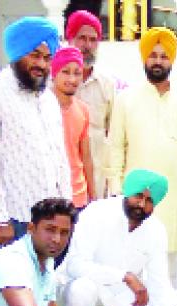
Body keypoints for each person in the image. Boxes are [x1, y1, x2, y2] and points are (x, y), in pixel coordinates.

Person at [107, 27, 177, 295]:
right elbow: (116, 148)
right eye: (153, 55)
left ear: (172, 60)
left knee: (175, 254)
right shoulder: (126, 99)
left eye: (164, 56)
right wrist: (117, 190)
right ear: (144, 59)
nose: (158, 61)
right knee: (136, 254)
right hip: (137, 195)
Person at [0, 17, 71, 252]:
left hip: (52, 219)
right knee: (16, 287)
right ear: (17, 53)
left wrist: (66, 207)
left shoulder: (48, 97)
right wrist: (0, 219)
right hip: (14, 220)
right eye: (34, 56)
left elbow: (59, 156)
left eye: (47, 58)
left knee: (48, 287)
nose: (42, 65)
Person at [61, 170, 177, 306]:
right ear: (127, 192)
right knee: (81, 290)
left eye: (149, 201)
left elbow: (159, 281)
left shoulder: (156, 230)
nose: (142, 204)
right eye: (138, 196)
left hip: (124, 296)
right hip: (92, 292)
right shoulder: (97, 212)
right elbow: (75, 266)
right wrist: (124, 276)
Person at [66, 10, 117, 198]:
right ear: (69, 38)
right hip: (63, 176)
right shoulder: (52, 82)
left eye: (93, 39)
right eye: (82, 38)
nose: (87, 45)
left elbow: (113, 134)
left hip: (96, 179)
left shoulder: (106, 84)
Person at [52, 46, 94, 210]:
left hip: (78, 196)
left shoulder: (82, 109)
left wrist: (93, 196)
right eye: (66, 72)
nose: (72, 78)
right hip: (51, 195)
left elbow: (86, 157)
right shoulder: (41, 107)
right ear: (54, 74)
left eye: (77, 73)